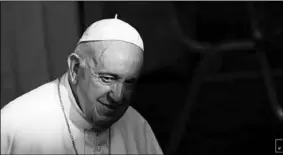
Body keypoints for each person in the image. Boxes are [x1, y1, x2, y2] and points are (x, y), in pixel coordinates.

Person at [1, 15, 163, 154]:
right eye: (107, 78)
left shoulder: (136, 126)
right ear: (75, 68)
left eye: (129, 82)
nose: (118, 95)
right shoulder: (16, 125)